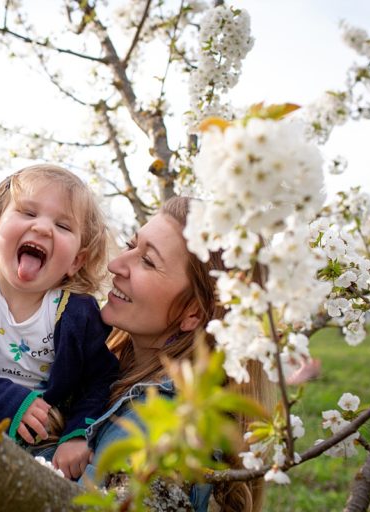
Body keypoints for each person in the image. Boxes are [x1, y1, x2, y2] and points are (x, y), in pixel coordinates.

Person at [0, 163, 118, 479]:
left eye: (63, 226)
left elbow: (99, 379)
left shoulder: (76, 312)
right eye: (28, 213)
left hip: (42, 442)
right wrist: (10, 401)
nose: (42, 228)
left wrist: (78, 434)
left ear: (76, 261)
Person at [84, 196, 271, 512]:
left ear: (194, 313)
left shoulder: (159, 434)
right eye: (132, 245)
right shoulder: (105, 369)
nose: (116, 265)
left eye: (148, 261)